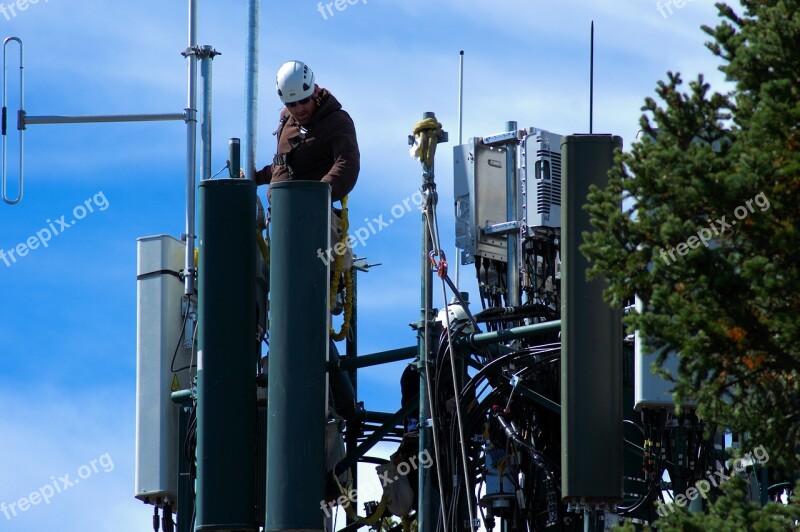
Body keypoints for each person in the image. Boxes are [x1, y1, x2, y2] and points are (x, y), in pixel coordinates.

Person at [255, 60, 359, 422]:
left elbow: (347, 165)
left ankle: (320, 307)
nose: (298, 109)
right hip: (282, 226)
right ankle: (262, 333)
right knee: (265, 281)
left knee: (306, 299)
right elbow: (282, 167)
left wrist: (315, 196)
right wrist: (253, 177)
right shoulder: (287, 122)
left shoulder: (336, 122)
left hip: (316, 223)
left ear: (314, 91)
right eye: (291, 103)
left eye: (303, 102)